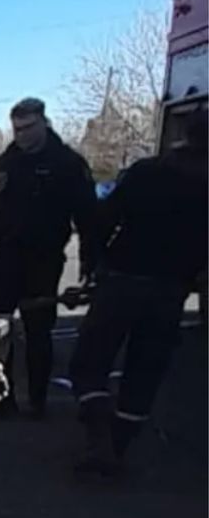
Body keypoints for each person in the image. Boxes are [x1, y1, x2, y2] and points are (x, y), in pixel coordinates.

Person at [69, 108, 208, 476]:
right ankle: (119, 445)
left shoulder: (147, 171)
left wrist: (94, 263)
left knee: (90, 361)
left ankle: (98, 438)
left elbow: (103, 218)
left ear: (184, 134)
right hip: (171, 291)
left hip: (122, 280)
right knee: (145, 369)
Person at [0, 97, 96, 418]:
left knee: (38, 329)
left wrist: (89, 260)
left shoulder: (67, 163)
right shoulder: (6, 162)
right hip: (7, 256)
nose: (22, 135)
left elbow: (88, 217)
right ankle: (2, 398)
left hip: (44, 258)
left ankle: (38, 399)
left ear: (44, 123)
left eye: (28, 128)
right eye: (17, 129)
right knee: (0, 326)